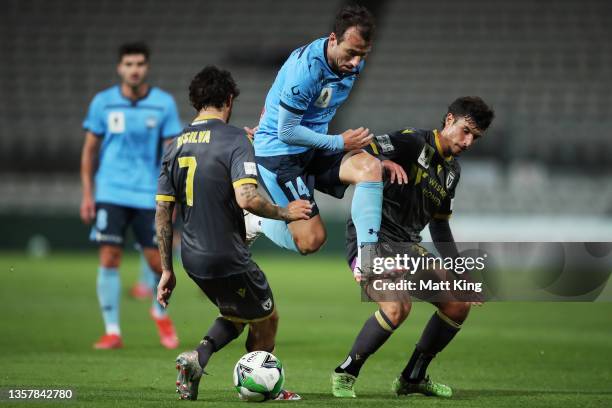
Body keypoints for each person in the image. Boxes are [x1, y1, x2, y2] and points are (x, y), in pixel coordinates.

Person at [155, 66, 312, 401]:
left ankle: (198, 358)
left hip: (192, 259)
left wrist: (166, 269)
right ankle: (264, 389)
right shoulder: (234, 138)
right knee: (267, 318)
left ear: (195, 101)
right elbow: (248, 198)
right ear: (229, 100)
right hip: (227, 254)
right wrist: (286, 211)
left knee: (236, 312)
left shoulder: (174, 146)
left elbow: (163, 214)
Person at [331, 96, 495, 398]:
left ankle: (413, 378)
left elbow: (440, 225)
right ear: (449, 120)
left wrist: (459, 272)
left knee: (458, 303)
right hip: (372, 242)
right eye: (466, 130)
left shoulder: (452, 172)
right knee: (397, 307)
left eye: (476, 137)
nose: (469, 141)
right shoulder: (411, 141)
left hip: (408, 247)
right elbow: (357, 153)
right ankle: (346, 372)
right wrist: (380, 161)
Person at [248, 4, 402, 260]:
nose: (355, 63)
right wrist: (339, 141)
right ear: (333, 40)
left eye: (362, 55)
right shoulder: (306, 71)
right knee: (312, 240)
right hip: (281, 155)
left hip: (313, 147)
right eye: (351, 53)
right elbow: (286, 131)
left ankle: (369, 258)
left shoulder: (353, 64)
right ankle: (255, 222)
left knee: (370, 168)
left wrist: (334, 143)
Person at [80, 42, 182, 350]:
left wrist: (170, 198)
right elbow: (89, 151)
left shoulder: (163, 104)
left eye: (139, 63)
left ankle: (158, 311)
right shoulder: (103, 103)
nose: (134, 69)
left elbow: (170, 156)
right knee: (109, 256)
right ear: (120, 68)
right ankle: (112, 331)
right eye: (128, 64)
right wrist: (88, 194)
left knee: (157, 264)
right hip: (110, 191)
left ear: (146, 67)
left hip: (147, 195)